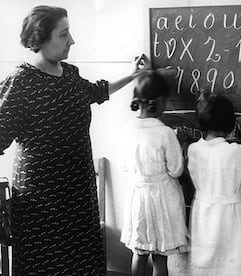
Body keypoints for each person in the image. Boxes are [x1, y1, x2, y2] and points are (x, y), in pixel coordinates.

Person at [0, 5, 149, 275]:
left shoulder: (70, 74)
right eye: (64, 34)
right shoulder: (20, 83)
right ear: (39, 38)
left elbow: (97, 91)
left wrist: (134, 75)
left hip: (78, 194)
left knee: (80, 265)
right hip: (41, 203)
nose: (72, 41)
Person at [187, 92, 241, 276]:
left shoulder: (194, 149)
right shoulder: (233, 152)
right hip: (227, 216)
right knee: (231, 265)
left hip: (203, 213)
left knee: (206, 262)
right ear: (230, 124)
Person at [118, 70, 189, 276]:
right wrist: (182, 145)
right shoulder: (165, 133)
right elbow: (176, 170)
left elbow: (123, 165)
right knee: (160, 257)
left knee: (139, 253)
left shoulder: (126, 130)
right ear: (158, 102)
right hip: (162, 200)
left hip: (138, 198)